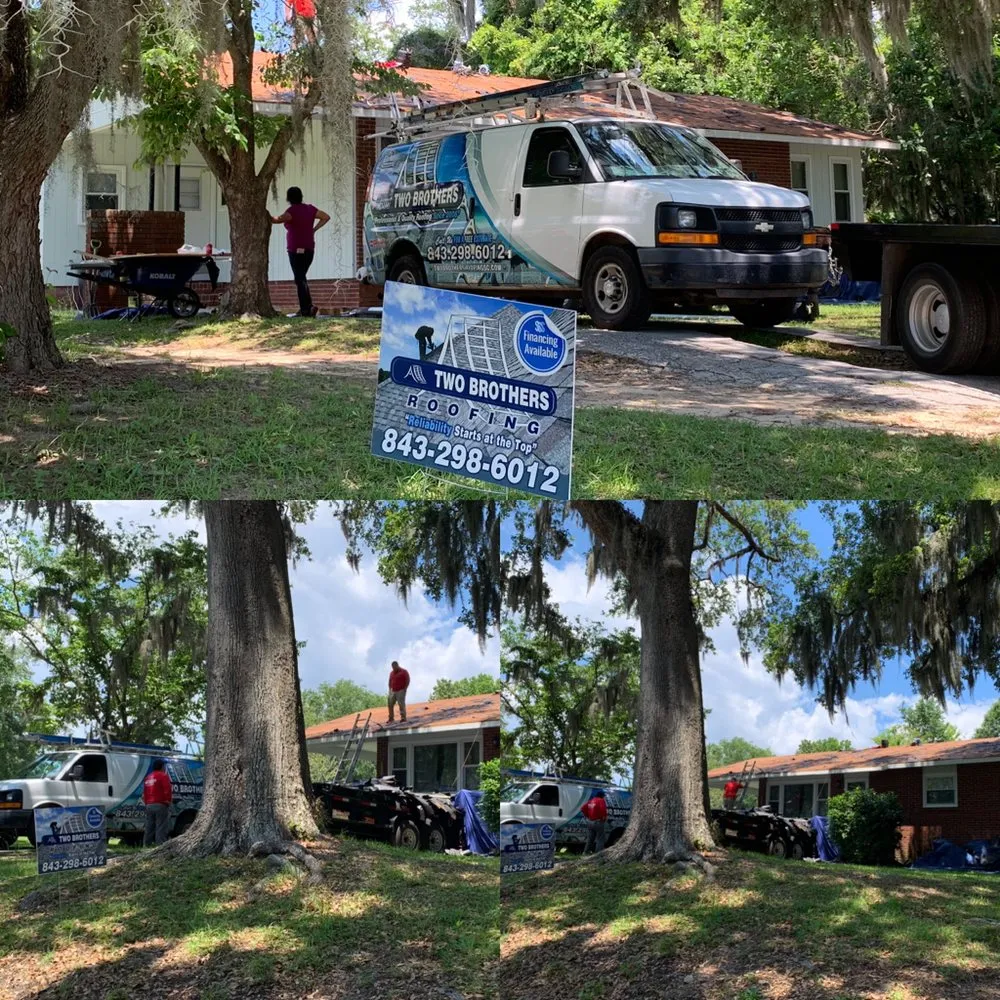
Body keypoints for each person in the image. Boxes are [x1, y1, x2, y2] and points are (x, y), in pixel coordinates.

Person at [271, 187, 330, 317]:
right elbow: (326, 217)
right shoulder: (310, 209)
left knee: (300, 278)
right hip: (309, 249)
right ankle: (307, 307)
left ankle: (306, 309)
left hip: (295, 250)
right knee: (301, 278)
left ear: (289, 198)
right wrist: (314, 229)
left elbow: (277, 220)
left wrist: (265, 215)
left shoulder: (291, 211)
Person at [143, 759, 173, 847]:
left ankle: (146, 845)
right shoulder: (163, 776)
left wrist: (146, 803)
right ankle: (160, 846)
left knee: (149, 826)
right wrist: (168, 801)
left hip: (149, 804)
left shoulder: (148, 777)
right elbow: (167, 790)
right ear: (161, 766)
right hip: (161, 804)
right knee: (161, 826)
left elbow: (145, 792)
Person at [581, 789, 608, 855]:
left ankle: (585, 852)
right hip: (598, 822)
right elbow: (603, 810)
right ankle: (598, 853)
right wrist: (604, 818)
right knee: (600, 838)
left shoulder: (591, 800)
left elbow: (583, 808)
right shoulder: (601, 800)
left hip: (590, 822)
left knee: (590, 838)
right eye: (603, 796)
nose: (604, 797)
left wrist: (587, 816)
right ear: (601, 796)